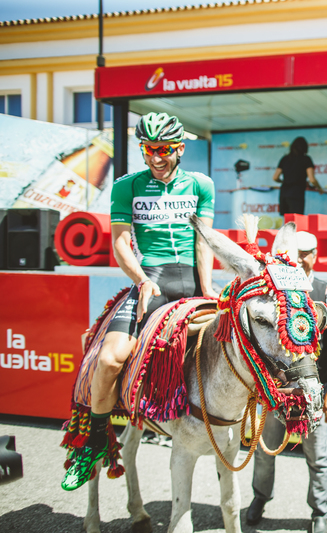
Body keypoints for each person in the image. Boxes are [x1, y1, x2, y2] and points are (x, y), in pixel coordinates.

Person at [61, 112, 217, 491]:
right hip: (152, 279)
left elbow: (203, 241)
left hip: (192, 280)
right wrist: (141, 280)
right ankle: (94, 443)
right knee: (110, 358)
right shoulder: (126, 186)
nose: (155, 158)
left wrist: (208, 288)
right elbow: (118, 241)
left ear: (179, 148)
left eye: (162, 149)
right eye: (148, 150)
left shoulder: (201, 185)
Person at [247, 231, 327, 533]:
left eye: (306, 253)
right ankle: (260, 498)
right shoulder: (270, 291)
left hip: (312, 393)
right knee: (264, 452)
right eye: (296, 252)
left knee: (318, 457)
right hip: (273, 391)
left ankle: (321, 512)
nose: (301, 258)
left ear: (316, 255)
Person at [273, 136, 324, 216]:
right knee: (297, 221)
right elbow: (312, 179)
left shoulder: (285, 158)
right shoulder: (306, 159)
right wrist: (320, 188)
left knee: (287, 221)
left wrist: (284, 181)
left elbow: (275, 177)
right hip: (297, 193)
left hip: (284, 193)